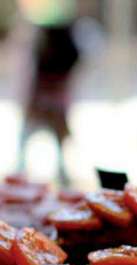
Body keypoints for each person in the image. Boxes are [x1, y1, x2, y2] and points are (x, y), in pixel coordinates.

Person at [15, 0, 80, 186]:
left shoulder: (48, 35)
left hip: (47, 95)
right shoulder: (53, 35)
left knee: (44, 139)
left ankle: (58, 174)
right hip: (48, 95)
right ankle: (24, 174)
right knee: (32, 139)